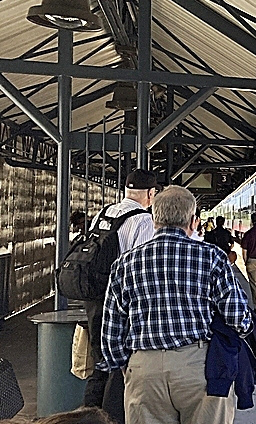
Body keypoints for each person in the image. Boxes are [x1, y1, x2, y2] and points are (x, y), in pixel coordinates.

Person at [100, 186, 251, 424]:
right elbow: (237, 317)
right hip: (199, 368)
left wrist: (127, 366)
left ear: (154, 220)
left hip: (144, 369)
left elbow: (111, 332)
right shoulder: (212, 256)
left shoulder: (125, 263)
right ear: (193, 221)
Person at [83, 169, 159, 424]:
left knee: (99, 360)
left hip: (93, 297)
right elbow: (143, 268)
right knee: (119, 365)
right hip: (120, 301)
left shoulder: (102, 214)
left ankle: (87, 414)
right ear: (150, 194)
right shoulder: (144, 221)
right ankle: (111, 418)